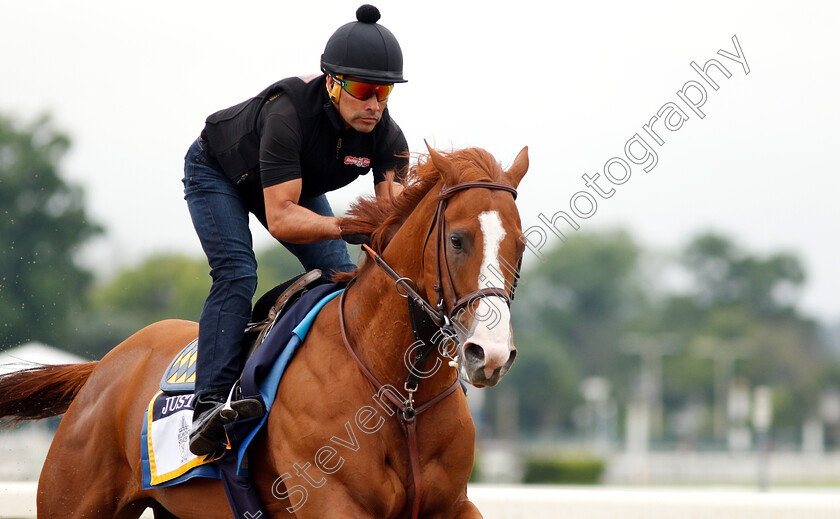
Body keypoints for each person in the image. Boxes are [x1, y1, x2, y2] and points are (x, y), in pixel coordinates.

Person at [183, 4, 409, 456]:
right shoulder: (289, 115)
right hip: (220, 172)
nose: (374, 105)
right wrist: (346, 224)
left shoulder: (387, 136)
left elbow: (390, 223)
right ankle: (207, 406)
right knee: (237, 273)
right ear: (332, 82)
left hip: (290, 182)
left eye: (383, 92)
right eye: (364, 89)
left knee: (338, 277)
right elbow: (282, 216)